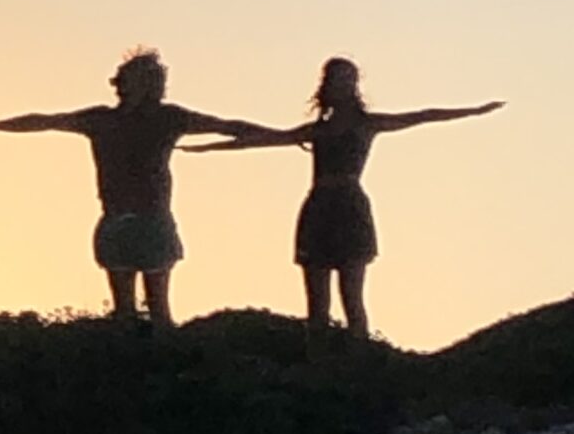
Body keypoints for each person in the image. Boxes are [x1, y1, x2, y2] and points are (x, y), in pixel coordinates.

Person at [185, 57, 502, 338]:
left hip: (350, 208)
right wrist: (207, 148)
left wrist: (474, 111)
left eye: (348, 79)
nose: (342, 85)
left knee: (352, 297)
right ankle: (320, 366)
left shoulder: (368, 124)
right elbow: (266, 140)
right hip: (319, 208)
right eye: (336, 79)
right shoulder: (318, 130)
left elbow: (424, 115)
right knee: (317, 304)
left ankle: (360, 362)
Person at [0, 49, 267, 325]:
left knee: (159, 309)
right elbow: (43, 120)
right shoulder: (100, 120)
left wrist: (278, 136)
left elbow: (226, 125)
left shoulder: (168, 118)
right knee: (124, 314)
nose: (128, 84)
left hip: (152, 219)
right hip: (116, 219)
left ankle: (164, 370)